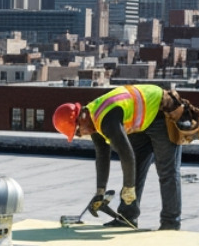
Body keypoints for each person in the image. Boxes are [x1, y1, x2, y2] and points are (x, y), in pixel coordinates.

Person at [51, 84, 184, 230]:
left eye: (77, 132)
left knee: (167, 171)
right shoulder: (92, 119)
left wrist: (129, 188)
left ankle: (170, 224)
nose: (81, 135)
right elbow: (102, 155)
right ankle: (127, 217)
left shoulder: (107, 120)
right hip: (142, 121)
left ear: (81, 118)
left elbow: (126, 155)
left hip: (161, 111)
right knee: (136, 170)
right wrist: (100, 192)